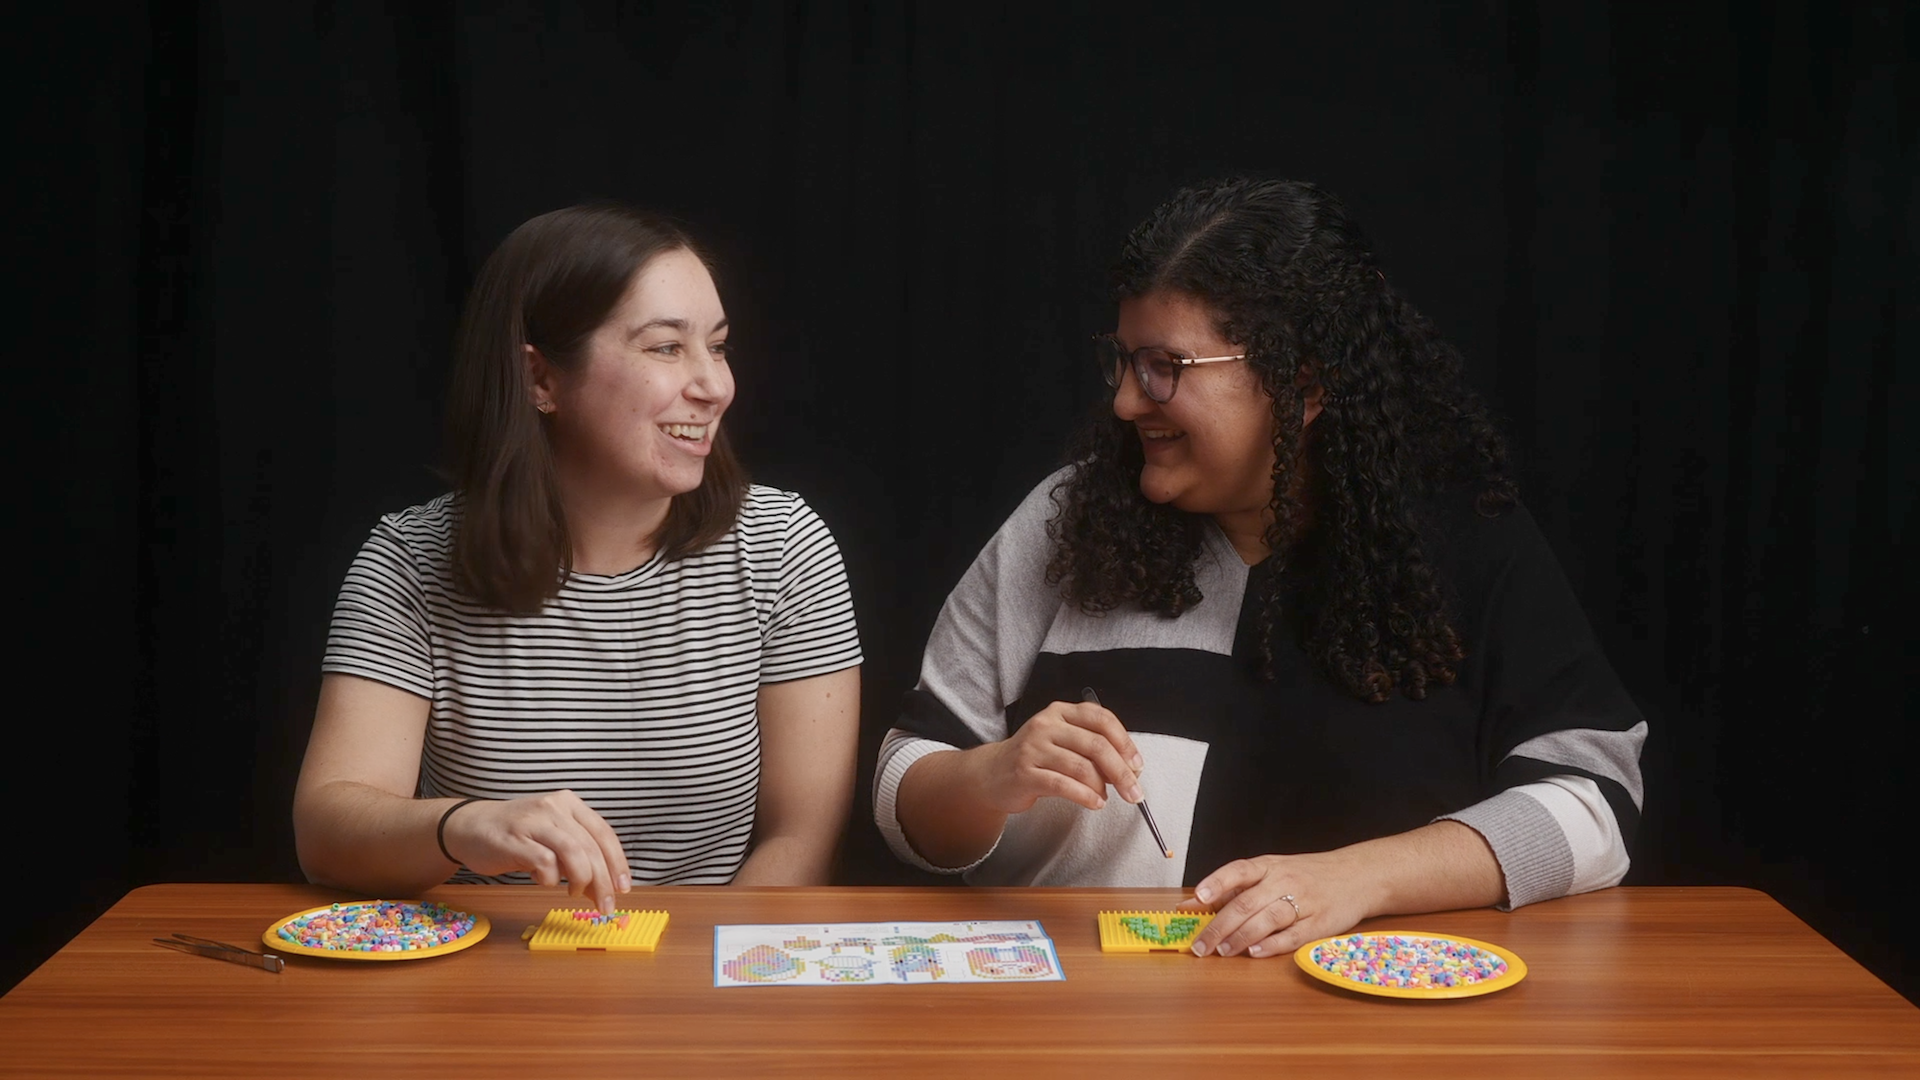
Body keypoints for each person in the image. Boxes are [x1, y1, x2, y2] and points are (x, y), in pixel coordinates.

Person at [875, 177, 1644, 961]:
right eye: (1124, 362)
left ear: (1302, 382)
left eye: (1165, 365)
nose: (1126, 404)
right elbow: (904, 789)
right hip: (1087, 1028)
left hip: (1377, 1035)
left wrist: (1360, 879)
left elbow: (1598, 806)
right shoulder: (1060, 524)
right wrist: (990, 777)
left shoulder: (1463, 540)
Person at [295, 204, 862, 912]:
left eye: (716, 346)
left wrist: (705, 988)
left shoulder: (783, 545)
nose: (714, 386)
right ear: (540, 380)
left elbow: (800, 841)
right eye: (665, 348)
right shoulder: (409, 561)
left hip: (709, 980)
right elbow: (325, 835)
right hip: (483, 982)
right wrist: (466, 823)